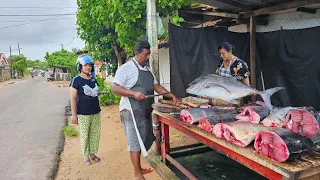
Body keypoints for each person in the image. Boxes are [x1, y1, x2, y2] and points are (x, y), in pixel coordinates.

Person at [112, 40, 181, 180]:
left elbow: (158, 87)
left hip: (143, 111)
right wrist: (134, 93)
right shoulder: (126, 69)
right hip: (130, 111)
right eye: (146, 54)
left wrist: (171, 95)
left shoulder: (148, 70)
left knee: (144, 138)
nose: (148, 57)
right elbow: (115, 88)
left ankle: (139, 168)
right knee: (134, 143)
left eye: (149, 54)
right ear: (137, 53)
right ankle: (137, 173)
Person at [69, 55, 106, 166]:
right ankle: (86, 156)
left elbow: (93, 92)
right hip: (83, 113)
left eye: (90, 65)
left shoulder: (93, 79)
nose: (88, 67)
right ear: (80, 66)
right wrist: (74, 115)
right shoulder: (76, 80)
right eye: (85, 65)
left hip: (95, 111)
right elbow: (73, 98)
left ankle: (92, 154)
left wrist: (101, 92)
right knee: (85, 135)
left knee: (95, 134)